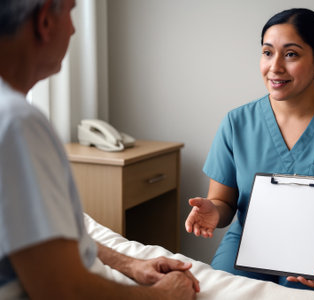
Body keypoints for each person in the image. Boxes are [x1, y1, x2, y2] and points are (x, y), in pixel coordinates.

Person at [185, 8, 314, 297]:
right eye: (267, 53)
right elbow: (223, 201)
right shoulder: (237, 123)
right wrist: (214, 211)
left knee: (294, 294)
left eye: (291, 54)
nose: (275, 67)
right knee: (219, 293)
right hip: (250, 246)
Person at [0, 0, 199, 299]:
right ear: (44, 22)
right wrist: (166, 294)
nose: (74, 28)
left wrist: (132, 265)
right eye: (70, 12)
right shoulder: (17, 122)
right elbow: (64, 289)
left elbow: (42, 241)